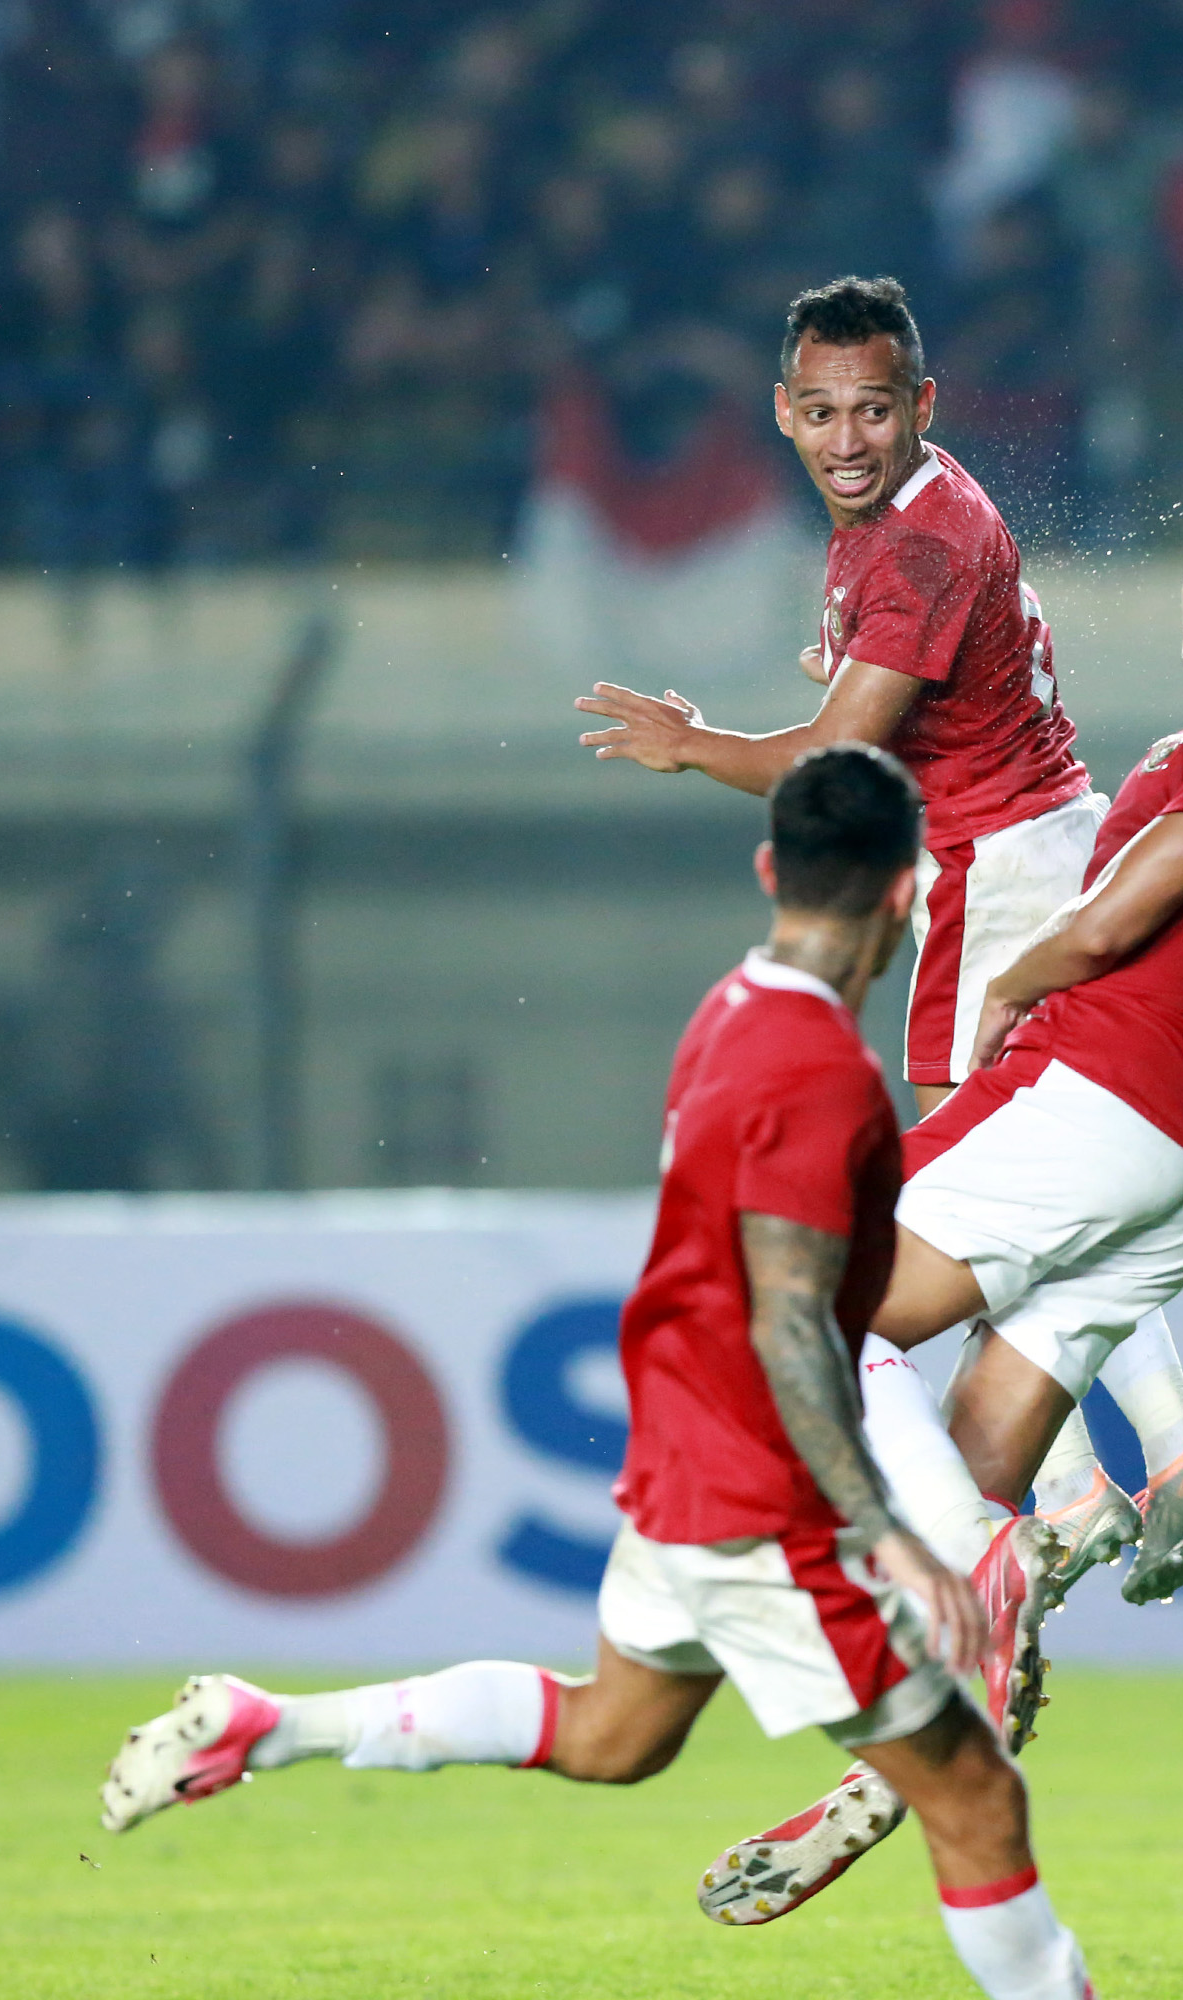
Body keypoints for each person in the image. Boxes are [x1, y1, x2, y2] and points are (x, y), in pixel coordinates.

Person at [98, 747, 1103, 1996]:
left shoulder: (730, 1009)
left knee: (611, 1733)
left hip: (682, 1460)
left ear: (767, 868)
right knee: (977, 1803)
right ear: (911, 892)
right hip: (763, 1506)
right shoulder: (820, 1075)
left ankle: (276, 1722)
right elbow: (790, 1322)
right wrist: (888, 1530)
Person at [713, 439, 1183, 1915]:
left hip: (1094, 1093)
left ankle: (996, 1582)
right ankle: (895, 1766)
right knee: (981, 1441)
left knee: (797, 1317)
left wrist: (1012, 988)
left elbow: (1105, 929)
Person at [572, 274, 1183, 1612]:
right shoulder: (903, 527)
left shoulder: (917, 548)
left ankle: (1104, 1481)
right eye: (821, 412)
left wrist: (694, 746)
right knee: (1028, 1187)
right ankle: (1144, 1462)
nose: (847, 438)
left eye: (873, 410)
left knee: (977, 1198)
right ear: (782, 415)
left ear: (922, 406)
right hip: (1042, 849)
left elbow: (836, 757)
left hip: (996, 881)